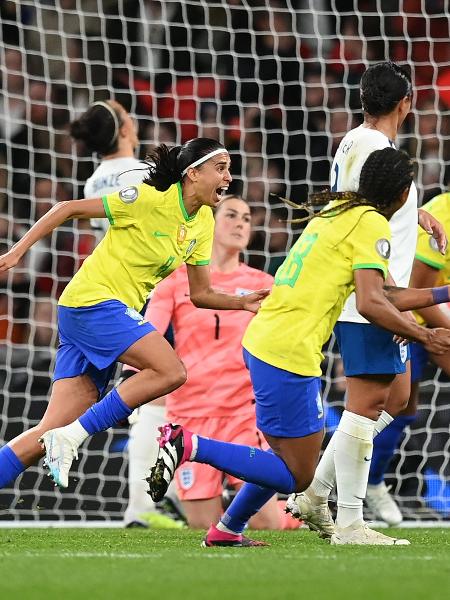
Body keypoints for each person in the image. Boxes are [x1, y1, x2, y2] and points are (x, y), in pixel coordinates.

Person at [148, 147, 450, 547]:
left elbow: (383, 294)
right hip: (288, 351)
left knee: (286, 459)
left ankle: (227, 529)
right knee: (299, 475)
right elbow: (371, 302)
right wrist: (426, 336)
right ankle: (188, 443)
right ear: (399, 193)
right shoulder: (371, 225)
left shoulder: (339, 214)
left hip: (268, 340)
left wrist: (441, 293)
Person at [0, 137, 270, 493]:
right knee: (171, 371)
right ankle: (73, 437)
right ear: (193, 173)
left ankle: (62, 437)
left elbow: (201, 294)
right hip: (92, 303)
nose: (229, 177)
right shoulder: (146, 199)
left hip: (100, 314)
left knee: (48, 431)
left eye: (230, 170)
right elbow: (67, 208)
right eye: (221, 168)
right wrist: (16, 253)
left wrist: (242, 303)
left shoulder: (203, 221)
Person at [286, 61, 447, 544]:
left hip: (373, 287)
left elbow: (357, 202)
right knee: (370, 402)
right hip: (371, 291)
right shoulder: (375, 147)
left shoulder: (356, 142)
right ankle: (348, 518)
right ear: (406, 103)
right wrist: (391, 301)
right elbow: (360, 217)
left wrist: (416, 214)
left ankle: (317, 490)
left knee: (395, 397)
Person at [125, 194, 282, 531]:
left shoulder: (263, 285)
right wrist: (134, 382)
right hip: (189, 416)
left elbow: (278, 344)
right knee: (203, 530)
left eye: (246, 218)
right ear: (210, 222)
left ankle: (301, 510)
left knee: (270, 523)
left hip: (244, 414)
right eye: (231, 215)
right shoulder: (176, 280)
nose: (240, 223)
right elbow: (147, 334)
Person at [72, 100, 181, 528]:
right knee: (160, 387)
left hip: (110, 290)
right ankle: (145, 503)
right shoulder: (137, 173)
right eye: (127, 115)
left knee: (155, 392)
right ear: (122, 130)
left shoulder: (93, 180)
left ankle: (159, 495)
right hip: (143, 289)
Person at [366, 190, 450, 524]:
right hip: (405, 310)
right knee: (395, 404)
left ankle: (367, 482)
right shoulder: (443, 214)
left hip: (432, 309)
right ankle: (359, 483)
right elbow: (420, 292)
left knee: (404, 405)